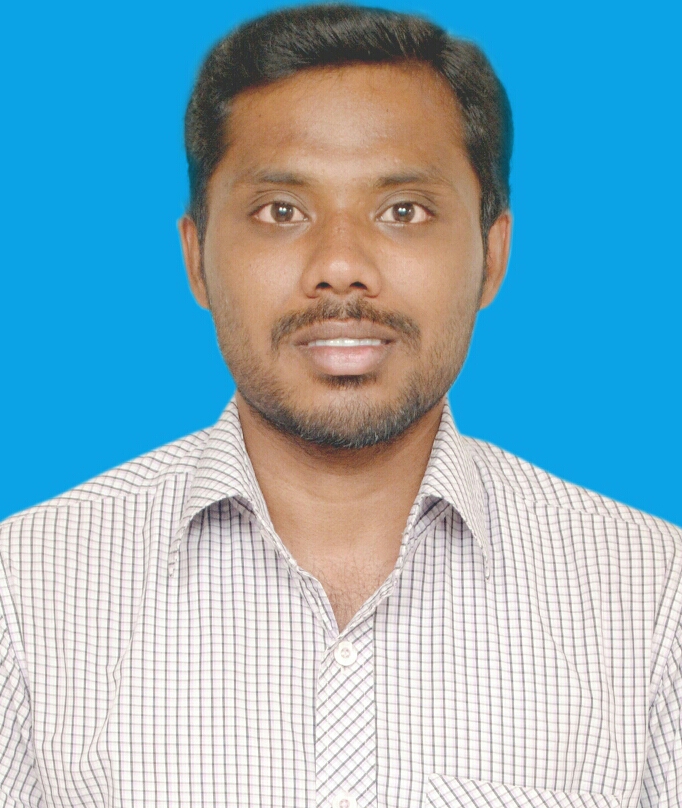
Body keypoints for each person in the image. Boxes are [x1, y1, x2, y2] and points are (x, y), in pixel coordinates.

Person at [0, 4, 679, 806]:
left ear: (493, 255)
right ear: (196, 258)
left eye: (404, 211)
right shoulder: (25, 591)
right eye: (281, 212)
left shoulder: (653, 595)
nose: (341, 265)